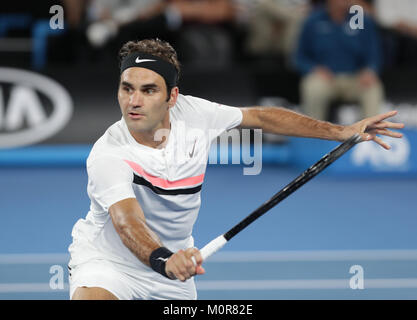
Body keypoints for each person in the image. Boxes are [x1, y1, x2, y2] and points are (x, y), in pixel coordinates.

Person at [68, 38, 404, 300]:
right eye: (127, 88)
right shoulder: (108, 153)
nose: (133, 101)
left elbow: (260, 116)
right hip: (110, 263)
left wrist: (340, 132)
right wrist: (162, 260)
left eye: (148, 90)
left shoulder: (196, 114)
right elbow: (128, 222)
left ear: (172, 97)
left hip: (173, 266)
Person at [293, 0, 385, 122]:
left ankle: (370, 133)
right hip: (326, 78)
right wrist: (313, 69)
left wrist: (370, 70)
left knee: (373, 87)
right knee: (313, 87)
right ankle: (314, 132)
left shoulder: (363, 21)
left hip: (355, 78)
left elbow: (374, 56)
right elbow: (299, 57)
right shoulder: (312, 21)